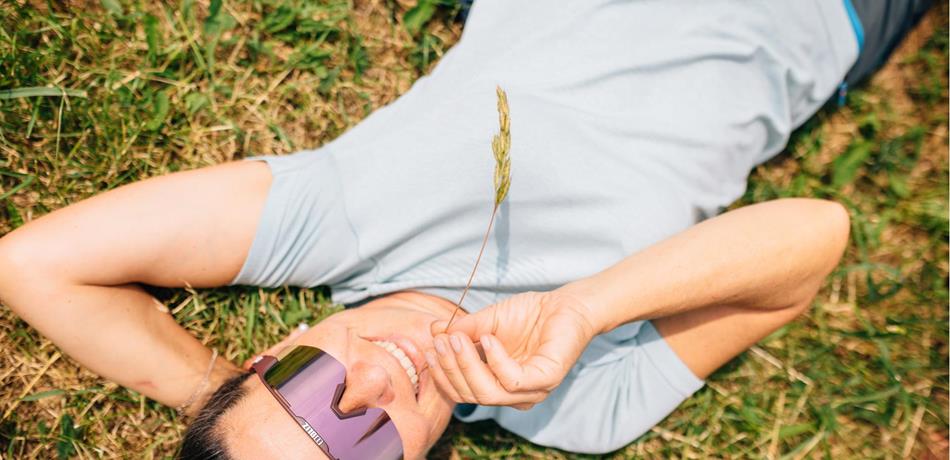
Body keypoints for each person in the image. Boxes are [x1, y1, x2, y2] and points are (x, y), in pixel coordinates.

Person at [0, 0, 931, 458]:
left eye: (309, 388)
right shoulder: (580, 405)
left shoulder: (333, 221)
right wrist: (585, 310)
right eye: (361, 447)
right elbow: (816, 234)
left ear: (271, 353)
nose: (373, 383)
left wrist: (207, 394)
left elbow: (32, 264)